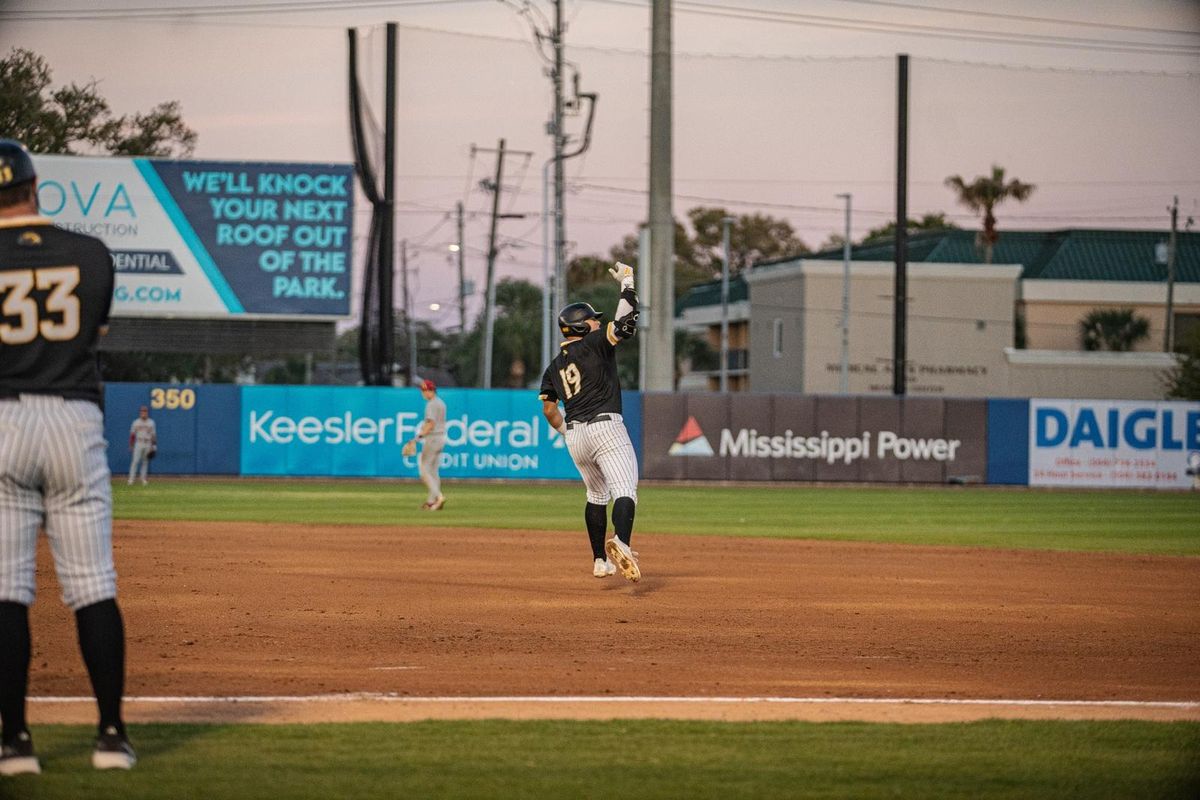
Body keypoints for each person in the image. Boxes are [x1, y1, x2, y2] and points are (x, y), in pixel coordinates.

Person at [0, 139, 137, 775]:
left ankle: (16, 743)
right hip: (73, 419)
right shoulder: (90, 253)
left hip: (2, 418)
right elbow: (91, 335)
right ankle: (111, 736)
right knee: (92, 587)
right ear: (35, 186)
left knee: (6, 592)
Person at [539, 262, 642, 582]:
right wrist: (628, 283)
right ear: (582, 328)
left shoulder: (554, 366)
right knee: (625, 489)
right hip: (605, 427)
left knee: (596, 496)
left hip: (576, 435)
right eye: (593, 320)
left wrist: (565, 431)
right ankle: (622, 544)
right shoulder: (594, 344)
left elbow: (548, 410)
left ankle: (600, 560)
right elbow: (625, 324)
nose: (598, 323)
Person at [405, 379, 447, 511]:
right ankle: (431, 502)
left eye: (425, 390)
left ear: (431, 391)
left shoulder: (431, 404)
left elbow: (430, 424)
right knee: (433, 471)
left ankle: (439, 497)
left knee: (424, 470)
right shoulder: (441, 403)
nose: (423, 393)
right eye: (423, 390)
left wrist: (416, 439)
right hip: (441, 438)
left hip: (433, 438)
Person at [127, 405, 157, 486]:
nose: (144, 413)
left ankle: (143, 479)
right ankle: (131, 479)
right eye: (142, 411)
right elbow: (132, 435)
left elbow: (153, 435)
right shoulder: (136, 422)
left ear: (147, 413)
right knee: (135, 461)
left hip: (147, 443)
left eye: (145, 411)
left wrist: (154, 446)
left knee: (145, 462)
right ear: (140, 412)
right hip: (138, 442)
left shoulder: (151, 422)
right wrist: (131, 445)